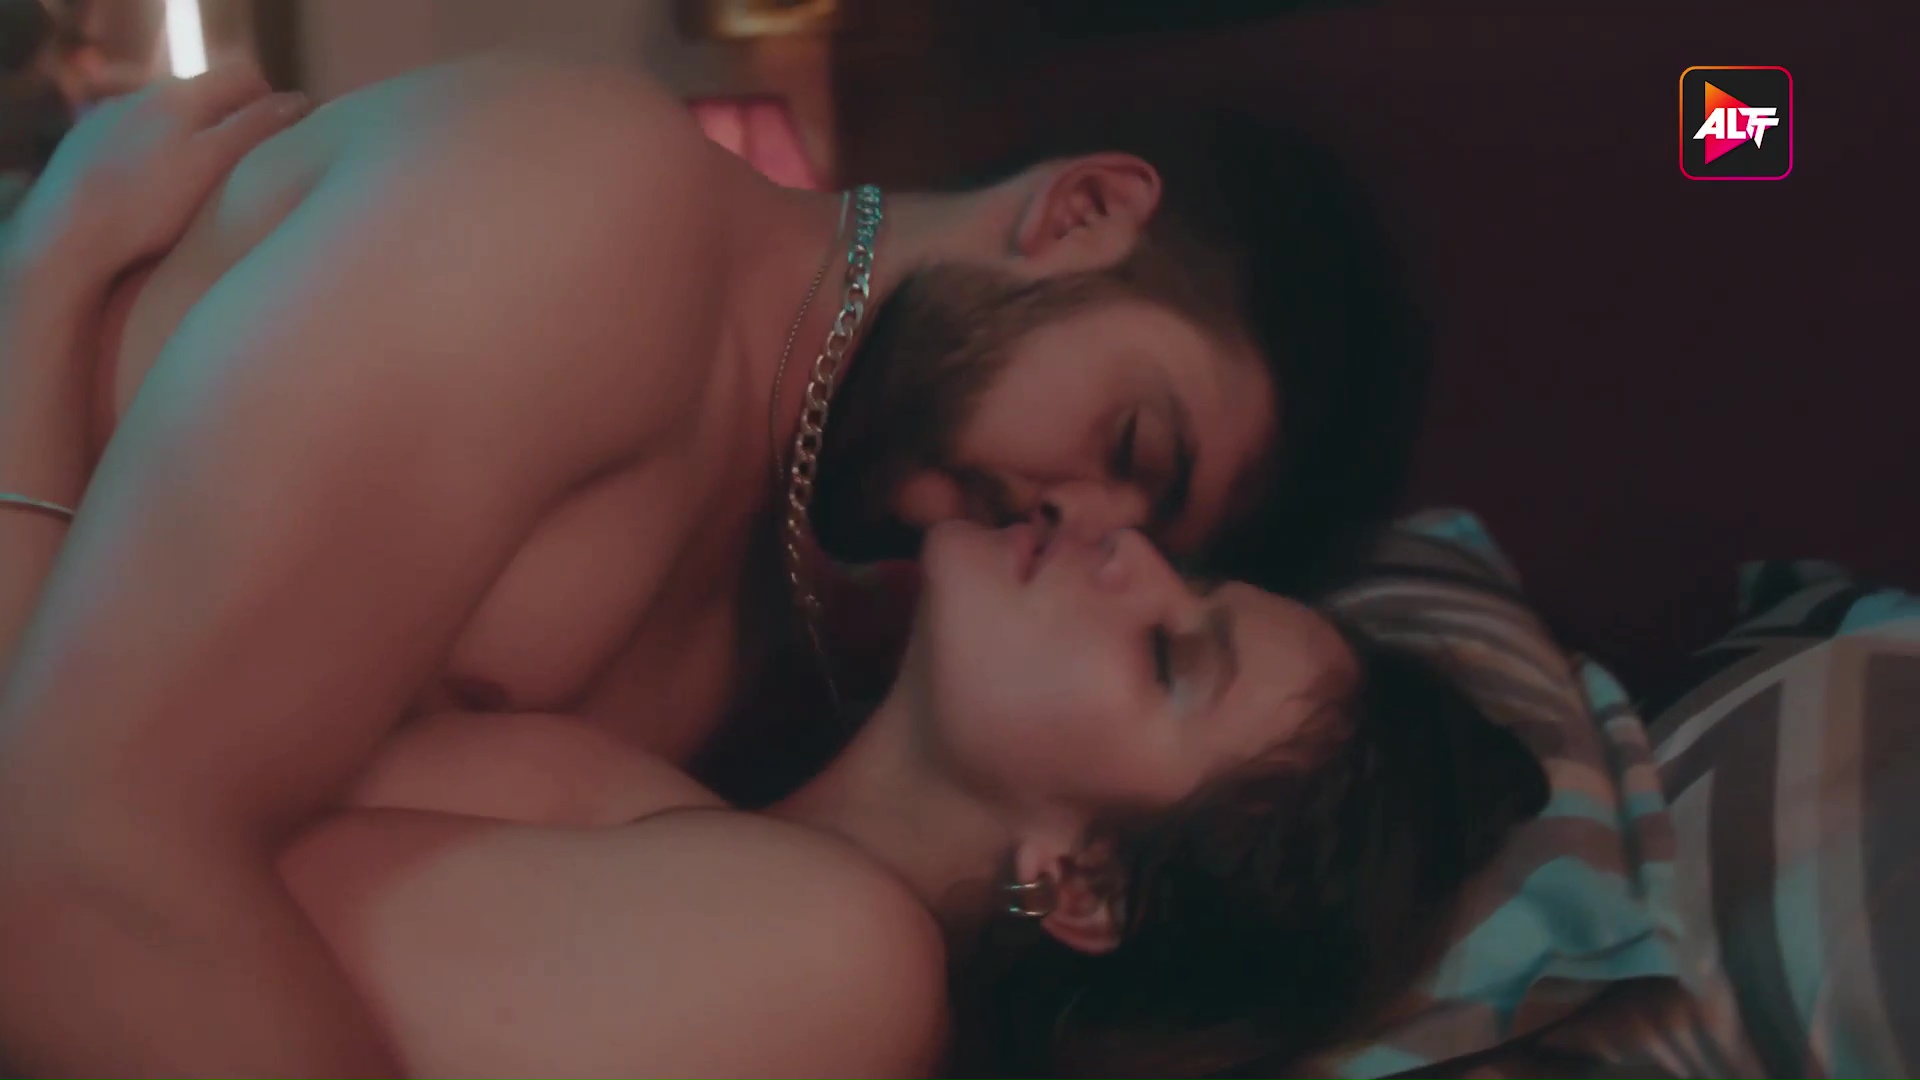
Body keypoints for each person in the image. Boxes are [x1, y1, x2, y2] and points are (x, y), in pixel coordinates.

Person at [0, 55, 1429, 1078]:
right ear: (1081, 214)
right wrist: (35, 291)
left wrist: (36, 301)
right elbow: (78, 861)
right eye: (1130, 441)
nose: (1092, 524)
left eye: (1161, 555)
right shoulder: (582, 218)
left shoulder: (770, 646)